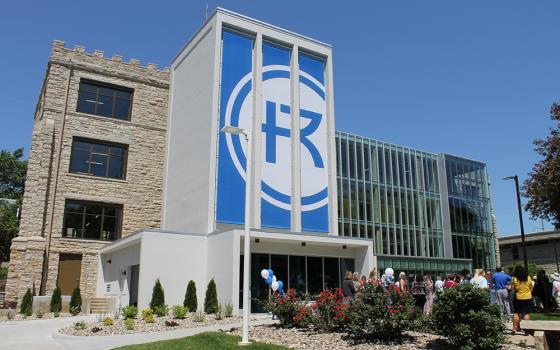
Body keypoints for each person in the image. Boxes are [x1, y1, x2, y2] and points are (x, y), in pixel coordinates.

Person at [511, 266, 533, 335]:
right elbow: (531, 288)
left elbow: (512, 288)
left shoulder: (514, 278)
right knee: (527, 313)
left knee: (516, 313)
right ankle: (526, 331)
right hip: (527, 297)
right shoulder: (528, 278)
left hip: (518, 297)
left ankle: (514, 329)